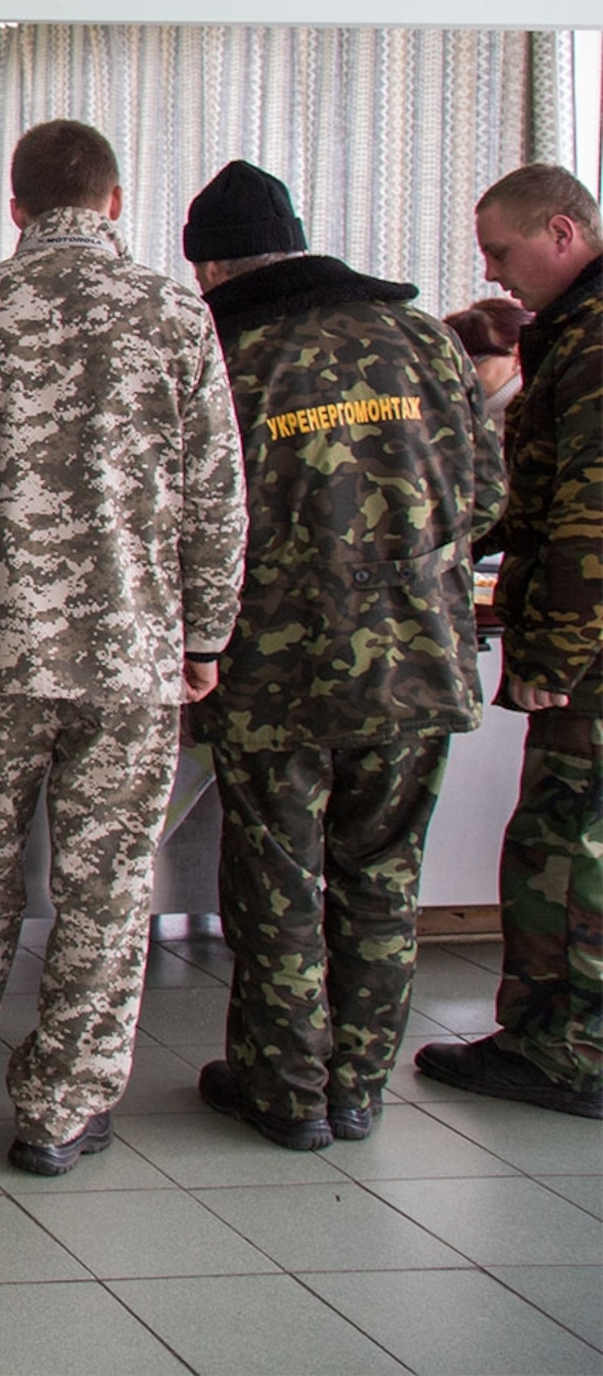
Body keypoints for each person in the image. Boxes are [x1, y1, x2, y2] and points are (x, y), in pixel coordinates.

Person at [0, 125, 246, 1174]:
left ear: (14, 207)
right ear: (119, 199)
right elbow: (219, 495)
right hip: (131, 658)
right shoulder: (180, 315)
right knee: (106, 887)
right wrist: (207, 634)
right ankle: (61, 1106)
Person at [183, 158, 502, 1148]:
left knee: (277, 871)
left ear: (211, 269)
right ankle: (358, 1085)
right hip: (415, 655)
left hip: (275, 666)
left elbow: (195, 518)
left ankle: (284, 1089)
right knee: (380, 871)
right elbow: (486, 497)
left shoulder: (226, 354)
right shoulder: (422, 340)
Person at [415, 162, 603, 1120]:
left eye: (503, 250)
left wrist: (552, 658)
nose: (493, 272)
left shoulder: (594, 341)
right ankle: (552, 1037)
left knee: (565, 849)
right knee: (562, 844)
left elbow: (589, 518)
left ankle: (568, 1052)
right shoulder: (575, 332)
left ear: (562, 233)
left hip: (591, 663)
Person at [445, 296, 528, 432]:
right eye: (450, 362)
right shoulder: (451, 413)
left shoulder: (541, 412)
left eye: (476, 360)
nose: (459, 371)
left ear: (519, 355)